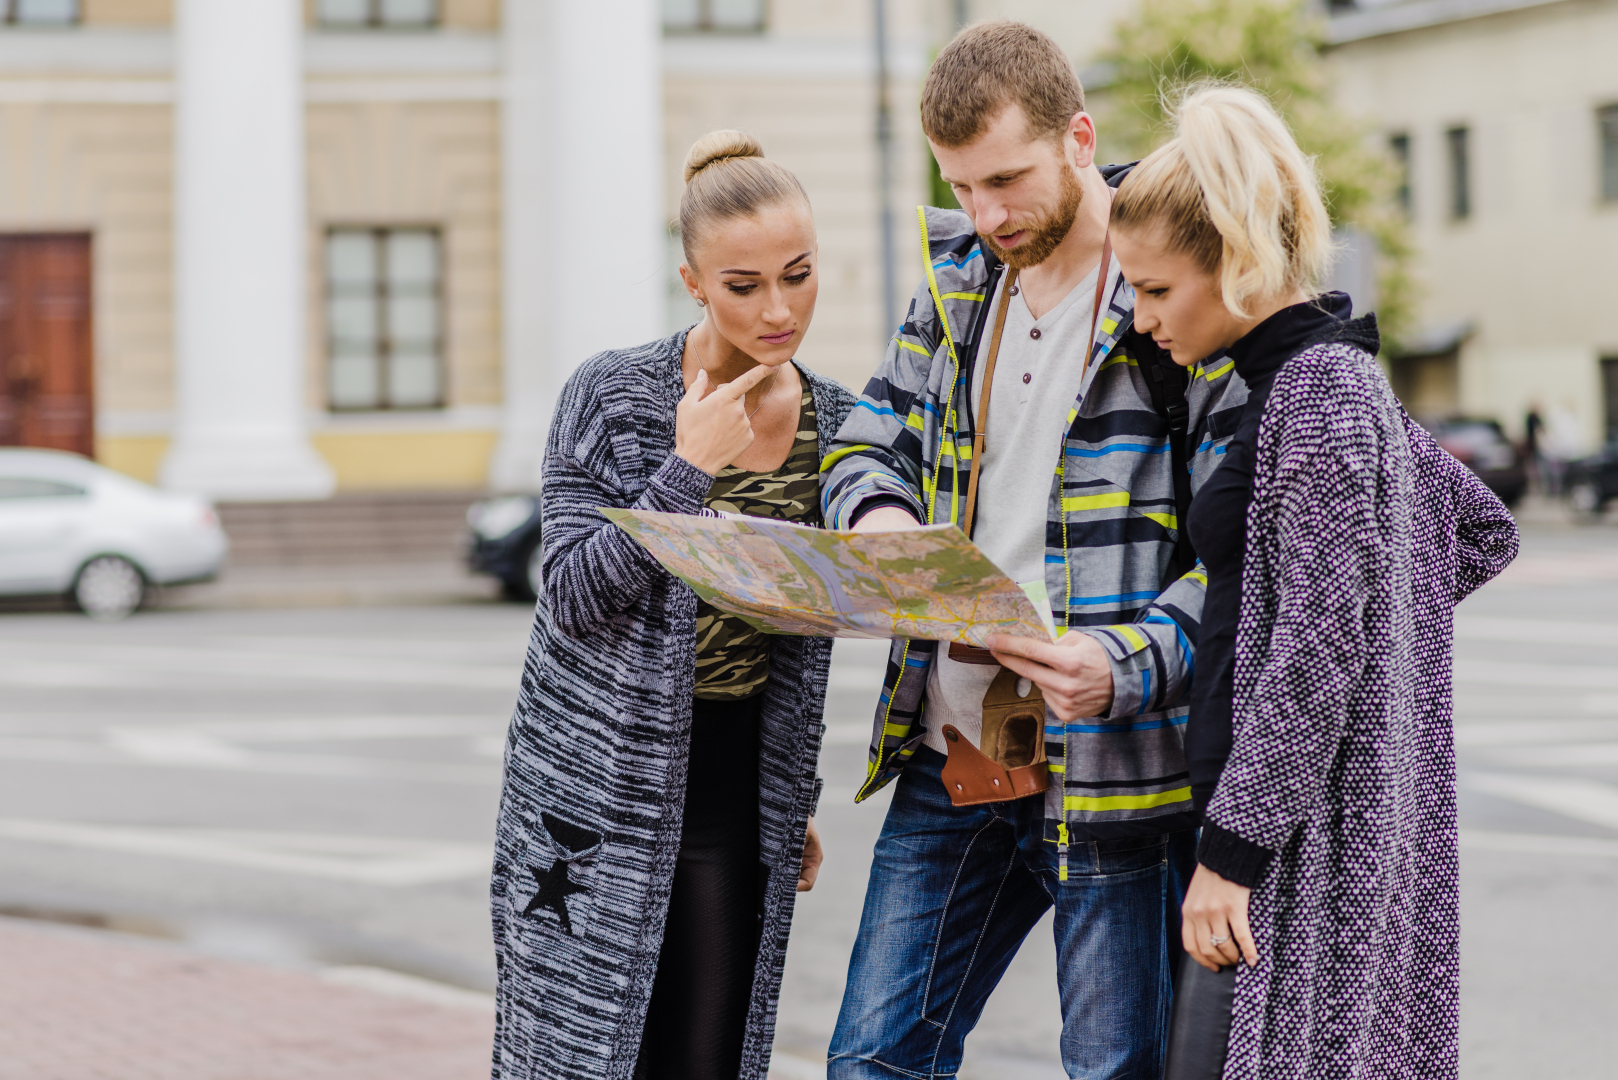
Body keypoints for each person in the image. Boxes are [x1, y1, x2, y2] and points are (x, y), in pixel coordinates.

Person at [822, 22, 1249, 1078]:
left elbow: (1246, 556)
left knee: (1114, 1072)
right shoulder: (958, 284)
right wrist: (877, 523)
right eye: (961, 187)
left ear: (1078, 138)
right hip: (953, 751)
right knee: (869, 1065)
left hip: (1116, 775)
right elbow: (863, 440)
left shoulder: (1172, 294)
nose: (986, 214)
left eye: (1005, 179)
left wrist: (1124, 663)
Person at [1106, 85, 1519, 1077]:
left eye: (1156, 291)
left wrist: (1235, 849)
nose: (1139, 315)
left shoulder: (1320, 396)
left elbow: (1314, 649)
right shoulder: (1315, 380)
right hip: (1284, 837)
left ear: (1236, 260)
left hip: (1289, 854)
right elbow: (1470, 531)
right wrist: (1385, 633)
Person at [490, 131, 856, 1080]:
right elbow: (571, 597)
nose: (778, 309)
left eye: (799, 274)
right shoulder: (610, 397)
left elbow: (795, 636)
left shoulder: (839, 424)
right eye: (743, 285)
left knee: (710, 1050)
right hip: (595, 790)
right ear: (692, 281)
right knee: (578, 1051)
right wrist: (686, 468)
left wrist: (790, 792)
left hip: (738, 777)